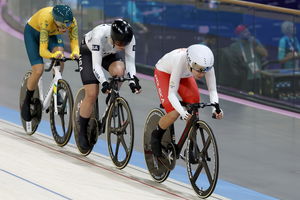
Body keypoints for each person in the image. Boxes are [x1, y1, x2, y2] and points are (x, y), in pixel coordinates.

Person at [78, 19, 142, 150]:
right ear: (112, 38)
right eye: (119, 43)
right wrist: (104, 83)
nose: (122, 46)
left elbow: (130, 63)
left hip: (108, 54)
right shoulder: (98, 35)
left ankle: (112, 97)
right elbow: (96, 65)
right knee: (92, 93)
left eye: (125, 44)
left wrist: (132, 81)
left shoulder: (129, 38)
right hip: (89, 53)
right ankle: (82, 131)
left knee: (119, 71)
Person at [150, 44, 223, 157]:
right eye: (199, 70)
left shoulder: (205, 64)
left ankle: (190, 143)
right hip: (164, 73)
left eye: (205, 71)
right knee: (174, 112)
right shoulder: (180, 60)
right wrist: (182, 112)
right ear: (191, 63)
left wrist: (215, 109)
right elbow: (171, 94)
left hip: (185, 75)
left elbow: (212, 90)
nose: (202, 74)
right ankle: (156, 135)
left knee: (194, 106)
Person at [21, 5, 80, 122]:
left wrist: (75, 53)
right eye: (63, 26)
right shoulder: (46, 19)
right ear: (55, 20)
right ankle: (27, 101)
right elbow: (42, 51)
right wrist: (52, 55)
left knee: (61, 55)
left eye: (67, 25)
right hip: (32, 33)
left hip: (52, 33)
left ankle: (56, 88)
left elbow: (74, 43)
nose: (65, 28)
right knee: (38, 70)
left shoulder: (72, 22)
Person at [229, 24, 268, 93]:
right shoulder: (234, 46)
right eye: (244, 32)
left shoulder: (255, 42)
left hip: (257, 75)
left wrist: (254, 43)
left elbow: (265, 54)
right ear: (239, 34)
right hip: (244, 77)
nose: (247, 33)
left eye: (247, 31)